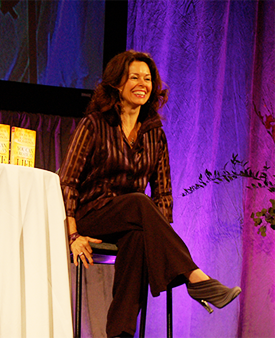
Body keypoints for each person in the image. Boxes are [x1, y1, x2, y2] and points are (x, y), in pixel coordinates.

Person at [58, 50, 241, 338]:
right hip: (91, 216)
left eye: (148, 78)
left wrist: (158, 237)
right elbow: (67, 182)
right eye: (134, 77)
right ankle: (195, 278)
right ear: (117, 84)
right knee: (139, 202)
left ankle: (120, 334)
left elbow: (164, 192)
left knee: (140, 236)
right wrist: (72, 234)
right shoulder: (94, 124)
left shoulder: (154, 132)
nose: (143, 83)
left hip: (132, 219)